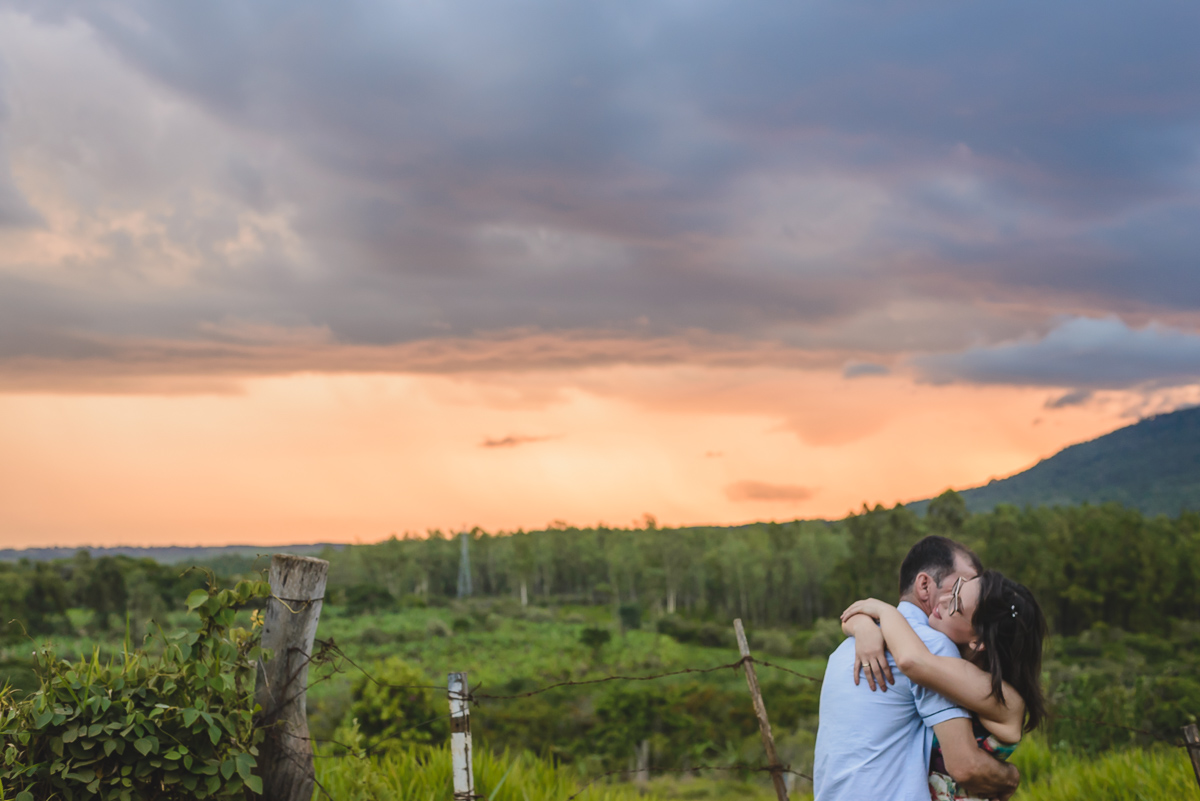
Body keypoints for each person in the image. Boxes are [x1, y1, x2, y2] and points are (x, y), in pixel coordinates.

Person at [813, 536, 1020, 801]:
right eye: (959, 586)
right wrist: (1010, 778)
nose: (960, 596)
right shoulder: (935, 645)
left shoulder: (844, 648)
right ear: (924, 585)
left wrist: (867, 618)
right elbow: (965, 766)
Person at [841, 569, 1047, 801]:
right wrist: (862, 626)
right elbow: (851, 619)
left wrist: (884, 610)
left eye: (956, 604)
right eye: (956, 588)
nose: (942, 599)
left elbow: (912, 660)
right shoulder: (951, 666)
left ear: (978, 641)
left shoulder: (1000, 695)